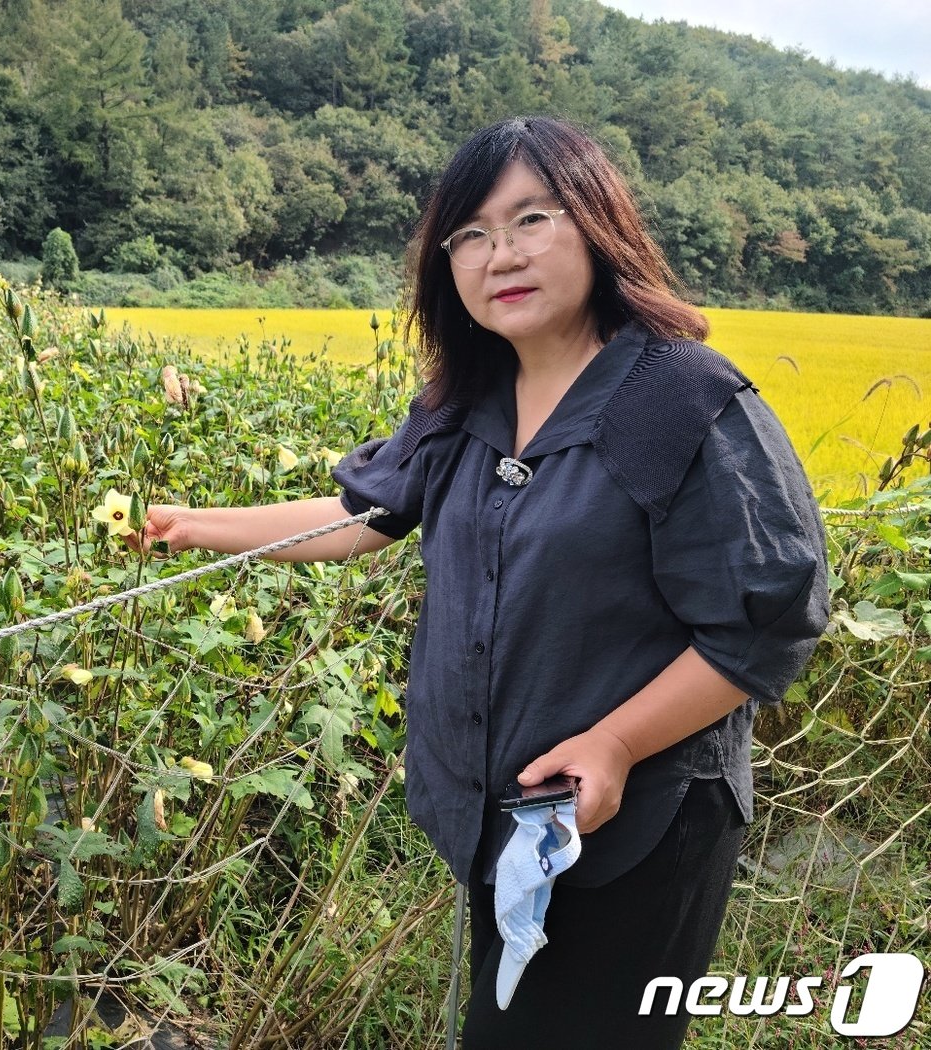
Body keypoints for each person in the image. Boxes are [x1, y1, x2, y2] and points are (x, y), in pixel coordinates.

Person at [133, 116, 829, 1047]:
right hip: (510, 821)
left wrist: (618, 742)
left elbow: (767, 621)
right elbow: (363, 517)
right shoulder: (469, 399)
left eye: (532, 218)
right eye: (470, 233)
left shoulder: (680, 397)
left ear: (597, 224)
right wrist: (191, 528)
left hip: (639, 827)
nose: (499, 253)